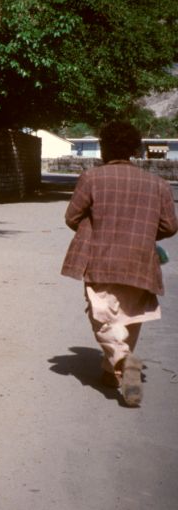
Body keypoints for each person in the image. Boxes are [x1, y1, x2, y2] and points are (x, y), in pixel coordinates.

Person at [61, 120, 177, 407]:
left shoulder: (91, 179)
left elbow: (71, 218)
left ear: (104, 148)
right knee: (129, 317)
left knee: (103, 317)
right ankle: (111, 372)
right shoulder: (158, 184)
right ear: (135, 149)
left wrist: (97, 226)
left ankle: (124, 362)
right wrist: (143, 234)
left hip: (101, 259)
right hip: (140, 260)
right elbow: (170, 226)